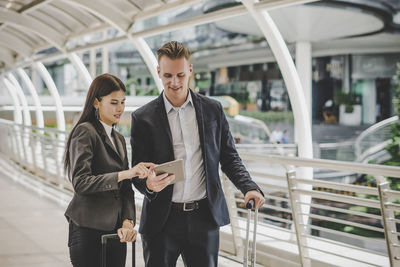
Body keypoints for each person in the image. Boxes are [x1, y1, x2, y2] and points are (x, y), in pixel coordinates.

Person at [130, 41, 265, 267]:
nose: (174, 82)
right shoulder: (143, 118)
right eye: (168, 75)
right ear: (158, 72)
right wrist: (149, 185)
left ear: (190, 70)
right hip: (162, 221)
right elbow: (138, 172)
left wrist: (249, 187)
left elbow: (229, 156)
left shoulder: (213, 109)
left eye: (181, 75)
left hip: (204, 218)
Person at [64, 73, 155, 267]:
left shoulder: (119, 139)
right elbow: (80, 182)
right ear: (96, 102)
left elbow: (126, 190)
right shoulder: (85, 131)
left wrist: (127, 223)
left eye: (123, 102)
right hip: (87, 229)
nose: (120, 108)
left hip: (115, 232)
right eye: (114, 102)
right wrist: (125, 174)